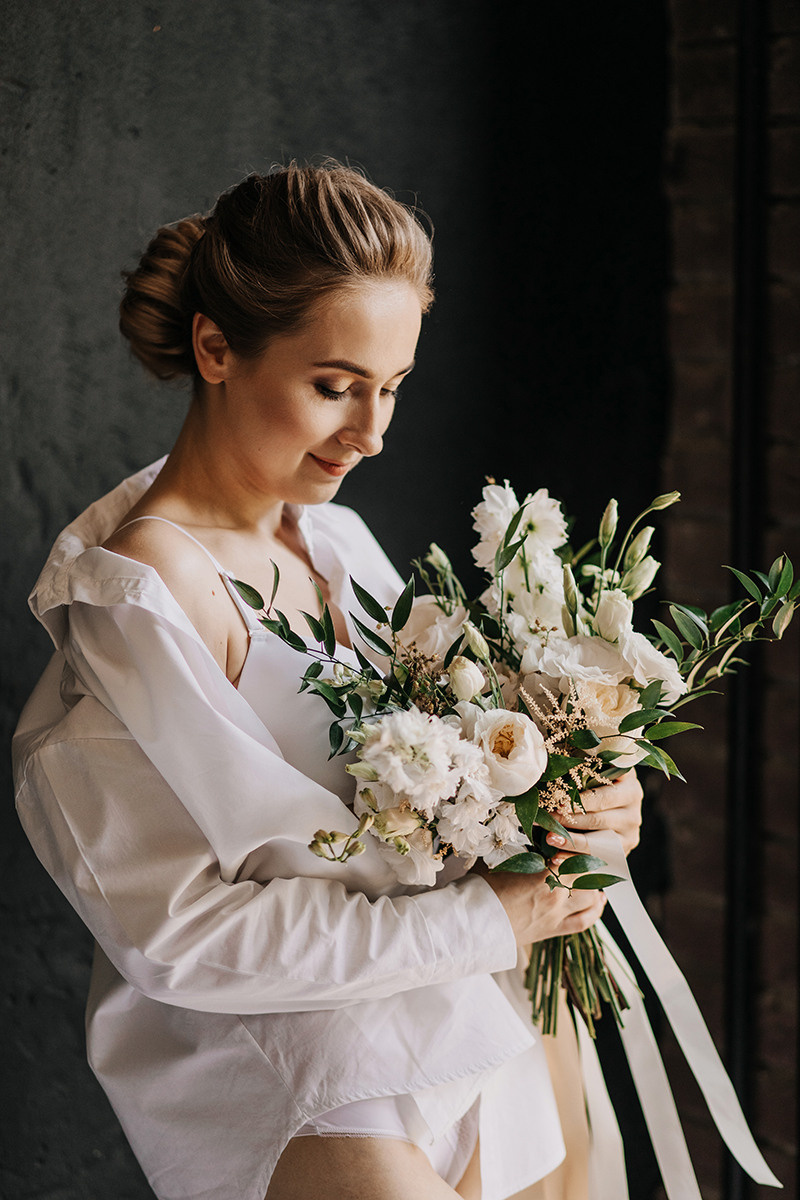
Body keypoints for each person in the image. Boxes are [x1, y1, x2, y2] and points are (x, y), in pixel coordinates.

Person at [13, 162, 642, 1200]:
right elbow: (184, 936)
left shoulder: (338, 541)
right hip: (306, 1073)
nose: (372, 431)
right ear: (215, 348)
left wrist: (572, 803)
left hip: (462, 1017)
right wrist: (491, 917)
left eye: (391, 386)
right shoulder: (143, 597)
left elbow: (435, 798)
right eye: (332, 384)